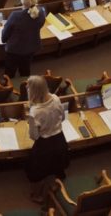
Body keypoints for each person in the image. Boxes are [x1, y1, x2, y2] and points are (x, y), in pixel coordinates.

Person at [25, 75, 69, 204]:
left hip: (44, 145)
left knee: (37, 172)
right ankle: (55, 185)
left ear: (33, 91)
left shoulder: (35, 112)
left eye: (28, 87)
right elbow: (63, 118)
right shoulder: (55, 98)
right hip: (60, 139)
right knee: (57, 164)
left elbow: (34, 136)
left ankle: (37, 196)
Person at [1, 0, 46, 77]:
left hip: (14, 50)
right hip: (31, 47)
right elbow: (40, 24)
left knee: (10, 72)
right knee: (25, 69)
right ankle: (25, 85)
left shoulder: (15, 15)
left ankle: (9, 86)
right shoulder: (41, 12)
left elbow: (4, 36)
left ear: (22, 1)